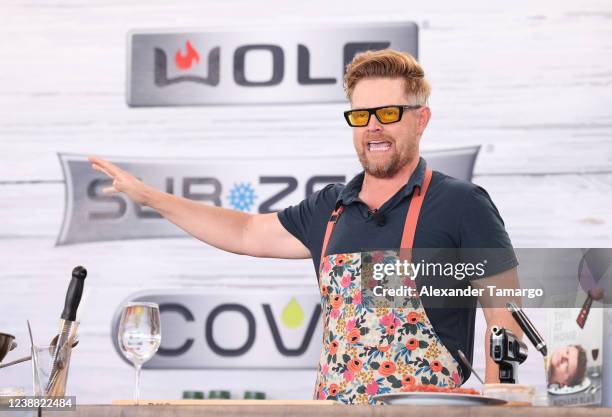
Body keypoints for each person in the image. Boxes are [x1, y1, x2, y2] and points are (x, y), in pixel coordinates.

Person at [89, 49, 522, 404]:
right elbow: (242, 232)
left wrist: (502, 411)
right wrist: (149, 197)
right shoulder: (329, 209)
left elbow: (505, 323)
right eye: (361, 114)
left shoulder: (464, 204)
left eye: (388, 112)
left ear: (420, 120)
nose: (373, 126)